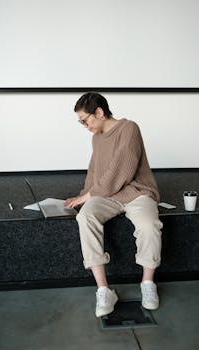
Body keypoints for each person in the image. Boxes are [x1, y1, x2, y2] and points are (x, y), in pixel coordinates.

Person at [64, 92, 163, 318]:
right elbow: (94, 171)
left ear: (99, 112)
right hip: (107, 195)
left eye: (84, 120)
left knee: (149, 225)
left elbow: (123, 169)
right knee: (85, 217)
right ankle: (103, 290)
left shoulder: (129, 129)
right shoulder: (97, 136)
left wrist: (89, 195)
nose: (84, 125)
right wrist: (82, 197)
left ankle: (147, 283)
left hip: (136, 192)